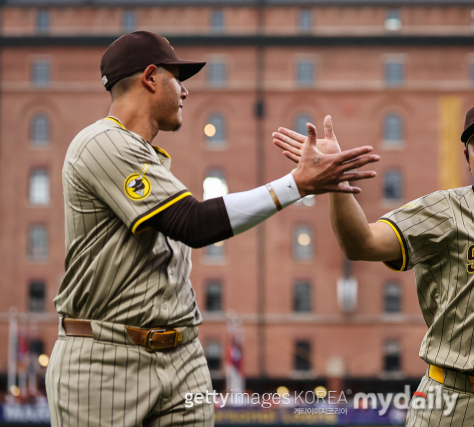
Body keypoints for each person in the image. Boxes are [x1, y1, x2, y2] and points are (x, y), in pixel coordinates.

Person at [45, 31, 379, 427]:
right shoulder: (100, 142)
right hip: (104, 359)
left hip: (182, 356)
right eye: (177, 78)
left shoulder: (151, 159)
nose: (185, 92)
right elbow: (193, 223)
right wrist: (296, 184)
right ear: (151, 78)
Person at [273, 99, 474, 426]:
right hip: (450, 404)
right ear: (467, 158)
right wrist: (337, 181)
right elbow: (362, 243)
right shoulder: (444, 211)